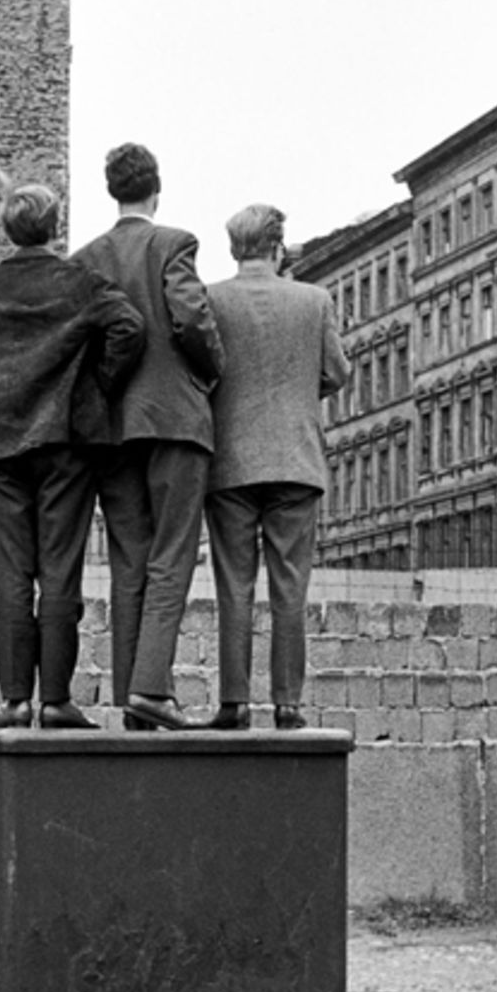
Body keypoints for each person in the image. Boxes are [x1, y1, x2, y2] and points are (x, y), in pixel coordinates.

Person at [0, 175, 145, 730]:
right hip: (66, 442)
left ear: (7, 228)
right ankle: (56, 700)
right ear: (55, 225)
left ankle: (15, 700)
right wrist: (96, 389)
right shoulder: (80, 285)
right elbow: (128, 328)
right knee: (60, 573)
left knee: (12, 573)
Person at [71, 142, 225, 730]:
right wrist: (209, 372)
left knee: (126, 559)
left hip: (113, 428)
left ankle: (129, 695)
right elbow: (191, 318)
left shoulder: (85, 259)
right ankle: (152, 688)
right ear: (155, 189)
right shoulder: (173, 244)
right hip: (175, 420)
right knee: (173, 555)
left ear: (113, 191)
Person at [202, 203, 349, 730]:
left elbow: (203, 373)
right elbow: (335, 372)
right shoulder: (314, 300)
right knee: (291, 588)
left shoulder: (211, 300)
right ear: (278, 246)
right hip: (295, 459)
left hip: (230, 463)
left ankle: (233, 703)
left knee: (233, 585)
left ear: (234, 247)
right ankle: (287, 704)